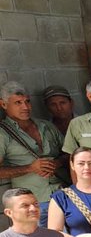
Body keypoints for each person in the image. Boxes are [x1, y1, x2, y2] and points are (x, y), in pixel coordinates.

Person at [1, 81, 64, 220]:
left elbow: (70, 152)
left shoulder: (46, 126)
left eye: (27, 101)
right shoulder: (2, 134)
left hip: (63, 193)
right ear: (4, 105)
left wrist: (57, 163)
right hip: (34, 203)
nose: (25, 107)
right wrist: (30, 168)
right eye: (18, 102)